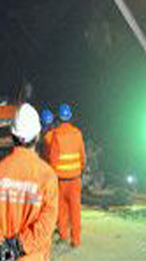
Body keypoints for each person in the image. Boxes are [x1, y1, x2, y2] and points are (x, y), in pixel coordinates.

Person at [0, 103, 58, 261]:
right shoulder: (47, 176)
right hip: (33, 256)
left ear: (12, 135)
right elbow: (47, 222)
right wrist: (20, 245)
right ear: (37, 135)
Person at [48, 104, 85, 248]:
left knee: (61, 209)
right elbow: (82, 156)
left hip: (61, 180)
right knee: (75, 210)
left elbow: (53, 158)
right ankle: (75, 240)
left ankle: (63, 235)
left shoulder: (56, 134)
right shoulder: (77, 133)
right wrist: (79, 169)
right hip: (75, 179)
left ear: (59, 118)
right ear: (70, 117)